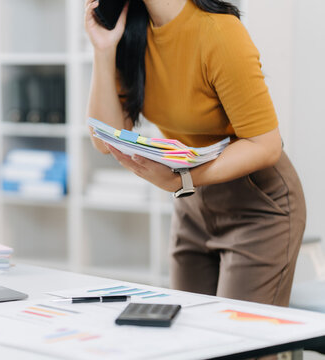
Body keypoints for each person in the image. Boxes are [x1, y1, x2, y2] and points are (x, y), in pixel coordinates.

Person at [85, 0, 306, 307]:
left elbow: (265, 145)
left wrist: (183, 179)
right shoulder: (135, 30)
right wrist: (103, 50)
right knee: (192, 335)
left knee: (241, 345)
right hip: (192, 204)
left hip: (257, 205)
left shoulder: (219, 33)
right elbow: (104, 140)